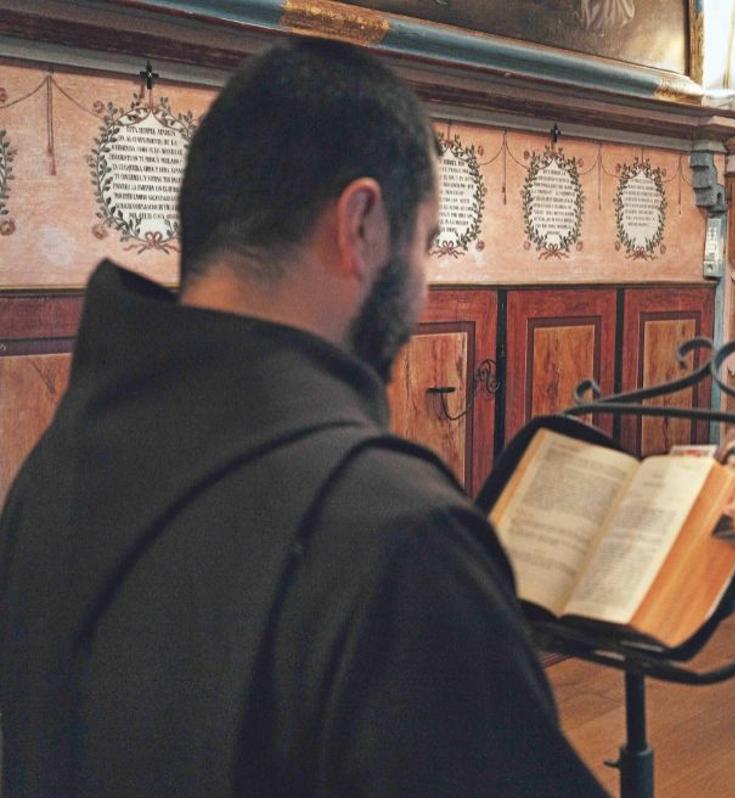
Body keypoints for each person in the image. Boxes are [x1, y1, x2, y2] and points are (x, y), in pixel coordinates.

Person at [0, 39, 604, 796]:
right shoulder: (400, 534)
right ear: (360, 225)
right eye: (424, 245)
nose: (421, 288)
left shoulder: (51, 468)